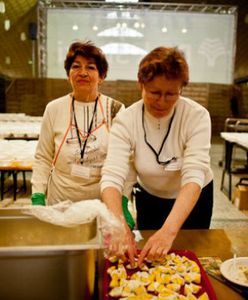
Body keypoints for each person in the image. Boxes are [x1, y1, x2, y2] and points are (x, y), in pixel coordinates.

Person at [100, 46, 213, 265]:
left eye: (171, 94)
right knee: (150, 260)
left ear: (182, 89)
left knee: (189, 260)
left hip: (192, 200)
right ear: (140, 84)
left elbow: (194, 175)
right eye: (154, 92)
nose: (161, 101)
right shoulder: (126, 120)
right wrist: (118, 223)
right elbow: (112, 175)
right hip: (150, 198)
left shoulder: (197, 116)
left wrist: (169, 231)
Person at [31, 40, 125, 206]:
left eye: (90, 67)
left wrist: (123, 199)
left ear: (102, 76)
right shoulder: (54, 109)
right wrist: (38, 194)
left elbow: (125, 159)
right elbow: (43, 157)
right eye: (76, 66)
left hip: (102, 201)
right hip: (61, 199)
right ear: (68, 74)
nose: (82, 73)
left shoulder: (116, 109)